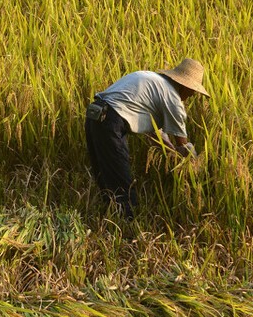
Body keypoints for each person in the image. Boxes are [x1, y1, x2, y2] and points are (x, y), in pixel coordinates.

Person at [85, 58, 209, 218]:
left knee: (105, 173)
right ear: (185, 85)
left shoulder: (154, 81)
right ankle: (126, 226)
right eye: (193, 90)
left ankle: (110, 218)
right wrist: (195, 169)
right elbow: (183, 146)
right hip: (111, 121)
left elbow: (157, 137)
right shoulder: (173, 99)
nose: (193, 95)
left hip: (94, 115)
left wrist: (171, 156)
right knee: (121, 180)